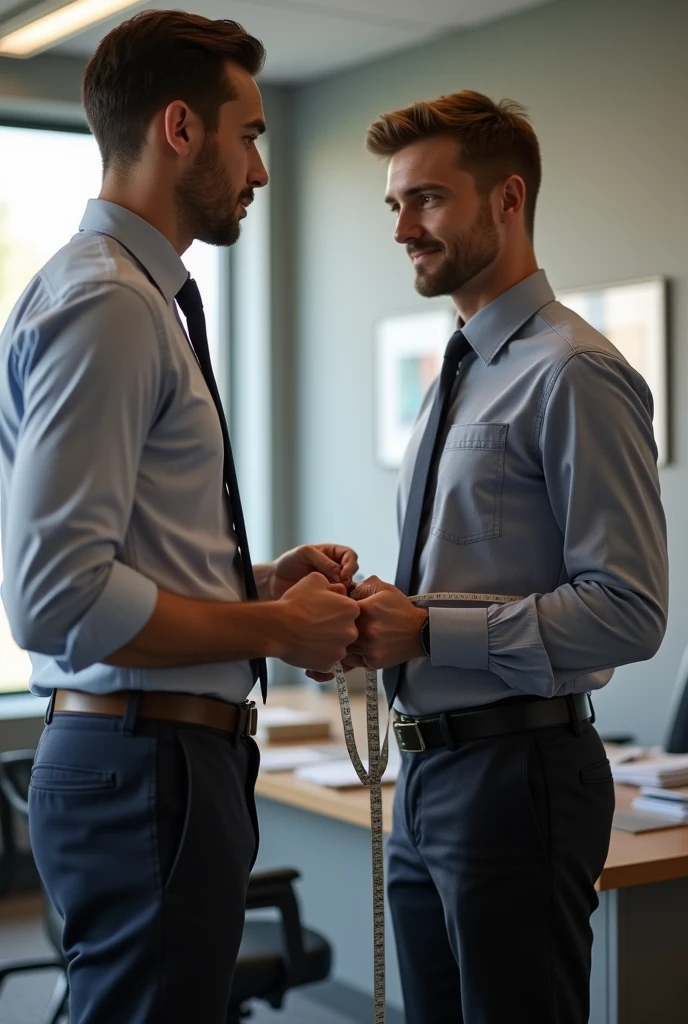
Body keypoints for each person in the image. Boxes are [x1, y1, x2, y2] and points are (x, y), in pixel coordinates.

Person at [0, 11, 360, 1024]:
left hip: (156, 758)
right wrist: (272, 630)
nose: (260, 169)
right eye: (250, 135)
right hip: (146, 763)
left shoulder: (124, 297)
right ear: (179, 129)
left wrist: (257, 586)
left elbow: (116, 561)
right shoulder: (109, 303)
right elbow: (56, 594)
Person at [351, 91, 668, 1023]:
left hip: (518, 777)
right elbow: (470, 571)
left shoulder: (575, 372)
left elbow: (629, 610)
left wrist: (428, 629)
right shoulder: (458, 370)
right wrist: (382, 610)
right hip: (427, 779)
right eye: (395, 206)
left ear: (508, 199)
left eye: (428, 200)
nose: (404, 227)